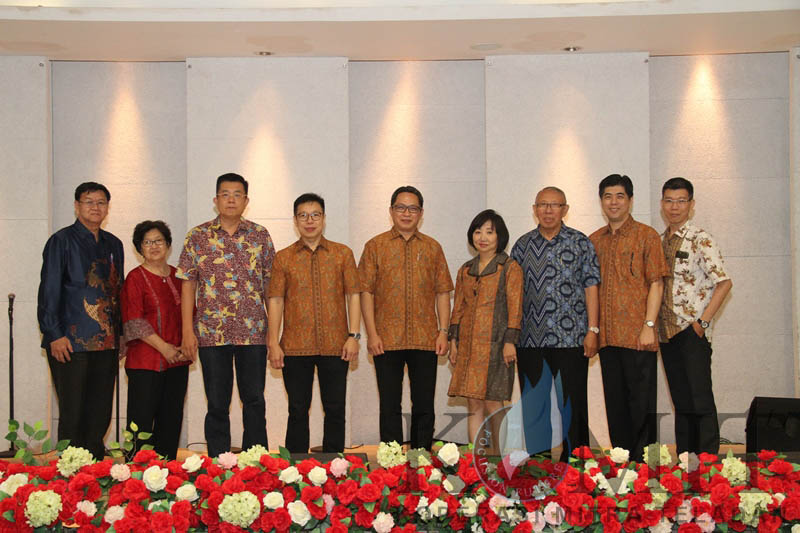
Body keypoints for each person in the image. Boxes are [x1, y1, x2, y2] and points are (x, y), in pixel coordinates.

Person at [176, 173, 275, 457]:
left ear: (246, 200)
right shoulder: (197, 236)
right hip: (211, 333)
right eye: (225, 194)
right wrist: (187, 331)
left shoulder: (260, 235)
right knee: (217, 403)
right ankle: (219, 464)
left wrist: (273, 333)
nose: (231, 200)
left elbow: (270, 286)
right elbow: (188, 285)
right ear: (216, 199)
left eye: (237, 194)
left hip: (253, 333)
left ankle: (256, 461)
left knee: (254, 400)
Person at [359, 185, 453, 450]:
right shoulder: (375, 246)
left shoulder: (433, 247)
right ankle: (391, 459)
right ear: (391, 211)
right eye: (401, 207)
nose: (406, 213)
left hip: (426, 339)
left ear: (421, 213)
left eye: (413, 208)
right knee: (389, 403)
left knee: (424, 403)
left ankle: (421, 455)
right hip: (386, 339)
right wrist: (372, 334)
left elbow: (442, 292)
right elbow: (365, 292)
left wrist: (443, 332)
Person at [510, 187, 600, 462]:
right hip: (530, 340)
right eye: (543, 205)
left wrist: (593, 330)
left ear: (565, 209)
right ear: (534, 209)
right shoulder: (522, 245)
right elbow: (512, 293)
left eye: (555, 205)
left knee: (573, 404)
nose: (548, 210)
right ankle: (539, 465)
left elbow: (591, 287)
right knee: (534, 407)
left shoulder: (580, 242)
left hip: (571, 338)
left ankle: (576, 463)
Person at [267, 193, 361, 453]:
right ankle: (295, 468)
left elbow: (353, 295)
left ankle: (335, 465)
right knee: (297, 409)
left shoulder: (342, 254)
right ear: (295, 220)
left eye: (315, 215)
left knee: (335, 408)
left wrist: (354, 335)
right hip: (295, 347)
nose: (309, 221)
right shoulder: (284, 257)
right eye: (303, 216)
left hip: (336, 345)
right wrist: (273, 343)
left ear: (324, 218)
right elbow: (275, 300)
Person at [37, 181, 124, 460]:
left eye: (101, 202)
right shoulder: (61, 241)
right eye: (89, 202)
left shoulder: (114, 244)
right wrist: (54, 334)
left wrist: (121, 335)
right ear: (77, 206)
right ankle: (70, 470)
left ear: (107, 207)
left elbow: (117, 291)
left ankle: (94, 468)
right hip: (70, 342)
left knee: (100, 411)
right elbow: (49, 291)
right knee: (73, 412)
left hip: (106, 342)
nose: (95, 207)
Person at [589, 174, 668, 462]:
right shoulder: (594, 241)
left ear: (630, 200)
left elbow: (656, 283)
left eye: (620, 196)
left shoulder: (647, 236)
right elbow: (590, 289)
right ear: (601, 201)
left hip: (638, 335)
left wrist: (649, 325)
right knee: (616, 406)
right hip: (608, 337)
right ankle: (622, 464)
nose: (614, 202)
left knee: (642, 406)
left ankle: (646, 467)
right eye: (608, 196)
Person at [659, 177, 732, 455]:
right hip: (666, 333)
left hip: (691, 332)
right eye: (669, 201)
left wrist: (702, 323)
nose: (674, 207)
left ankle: (708, 465)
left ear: (691, 204)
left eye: (681, 201)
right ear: (662, 204)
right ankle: (686, 462)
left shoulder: (701, 239)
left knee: (700, 400)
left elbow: (724, 282)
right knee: (681, 402)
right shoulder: (659, 241)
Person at [448, 209, 522, 451]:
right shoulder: (465, 270)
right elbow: (458, 307)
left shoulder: (509, 268)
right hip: (469, 348)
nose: (482, 237)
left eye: (489, 232)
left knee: (494, 404)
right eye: (478, 231)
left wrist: (510, 341)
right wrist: (453, 341)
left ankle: (498, 460)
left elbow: (515, 307)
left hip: (497, 346)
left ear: (500, 237)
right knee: (474, 405)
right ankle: (476, 461)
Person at [121, 220, 191, 460]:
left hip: (178, 361)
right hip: (145, 363)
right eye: (147, 242)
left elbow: (190, 314)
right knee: (140, 424)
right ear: (139, 247)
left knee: (171, 421)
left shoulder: (178, 276)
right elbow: (134, 321)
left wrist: (185, 346)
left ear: (168, 245)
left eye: (158, 241)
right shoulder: (135, 278)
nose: (153, 246)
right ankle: (136, 474)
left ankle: (167, 474)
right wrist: (164, 348)